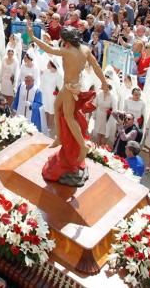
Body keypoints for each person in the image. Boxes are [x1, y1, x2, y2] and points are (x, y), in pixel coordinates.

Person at [29, 26, 109, 187]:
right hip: (73, 85)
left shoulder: (67, 52)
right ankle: (59, 137)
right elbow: (97, 67)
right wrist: (104, 83)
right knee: (57, 106)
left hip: (69, 87)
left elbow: (47, 48)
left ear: (67, 41)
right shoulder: (85, 49)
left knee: (69, 117)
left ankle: (82, 145)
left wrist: (32, 36)